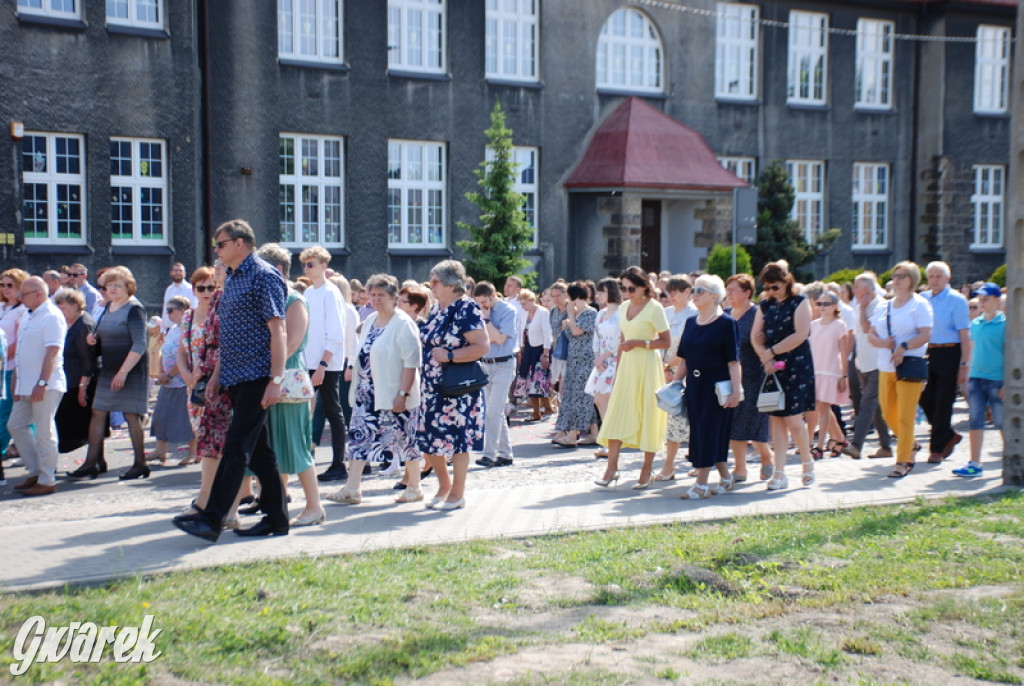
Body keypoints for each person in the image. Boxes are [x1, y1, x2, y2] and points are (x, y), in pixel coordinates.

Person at [173, 219, 289, 541]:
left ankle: (211, 518)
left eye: (220, 244)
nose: (217, 250)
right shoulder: (234, 278)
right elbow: (230, 335)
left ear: (240, 243)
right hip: (235, 378)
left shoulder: (264, 275)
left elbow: (278, 330)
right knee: (262, 454)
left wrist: (276, 379)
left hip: (258, 377)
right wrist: (216, 377)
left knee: (235, 447)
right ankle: (278, 520)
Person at [327, 274, 423, 504]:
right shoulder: (370, 321)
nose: (377, 299)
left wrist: (403, 394)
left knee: (405, 438)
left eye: (382, 295)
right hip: (367, 393)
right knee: (359, 439)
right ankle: (352, 488)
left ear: (393, 298)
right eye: (373, 295)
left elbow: (412, 362)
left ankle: (414, 486)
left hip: (393, 393)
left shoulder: (403, 323)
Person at [258, 243, 325, 526]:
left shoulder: (294, 300)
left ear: (277, 270)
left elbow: (293, 342)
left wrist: (271, 372)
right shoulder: (268, 297)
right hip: (270, 376)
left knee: (295, 445)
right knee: (273, 445)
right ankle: (277, 501)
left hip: (288, 378)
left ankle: (314, 506)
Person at [66, 267, 150, 480]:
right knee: (98, 411)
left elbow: (140, 344)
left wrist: (123, 373)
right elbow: (103, 335)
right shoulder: (108, 307)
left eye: (117, 285)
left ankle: (140, 463)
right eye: (109, 285)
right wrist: (94, 340)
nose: (112, 289)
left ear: (128, 288)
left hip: (130, 370)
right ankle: (92, 461)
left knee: (132, 415)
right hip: (109, 369)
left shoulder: (134, 309)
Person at [417, 260, 488, 510]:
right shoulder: (437, 308)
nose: (432, 285)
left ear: (451, 284)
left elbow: (481, 346)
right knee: (430, 438)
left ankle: (457, 494)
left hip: (458, 390)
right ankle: (444, 485)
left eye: (435, 281)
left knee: (458, 440)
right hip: (432, 388)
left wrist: (449, 356)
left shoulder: (466, 308)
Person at [595, 266, 671, 489]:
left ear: (643, 287)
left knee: (648, 414)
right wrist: (617, 371)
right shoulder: (625, 307)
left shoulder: (655, 308)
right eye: (623, 288)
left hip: (648, 365)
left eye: (631, 288)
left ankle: (647, 469)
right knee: (617, 412)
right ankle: (611, 469)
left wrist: (640, 343)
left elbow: (666, 342)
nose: (626, 292)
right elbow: (622, 339)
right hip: (627, 366)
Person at [673, 275, 741, 498]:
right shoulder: (691, 322)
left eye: (700, 290)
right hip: (695, 385)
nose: (695, 294)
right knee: (701, 432)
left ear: (714, 296)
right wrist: (673, 384)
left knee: (708, 433)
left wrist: (736, 390)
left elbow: (734, 362)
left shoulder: (726, 323)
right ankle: (725, 476)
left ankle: (701, 484)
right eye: (694, 289)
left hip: (718, 388)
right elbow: (684, 359)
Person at [751, 261, 817, 490]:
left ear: (786, 281)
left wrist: (770, 351)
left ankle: (807, 462)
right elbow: (755, 335)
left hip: (796, 364)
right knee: (776, 419)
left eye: (775, 287)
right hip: (772, 365)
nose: (770, 292)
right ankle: (779, 473)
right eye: (767, 287)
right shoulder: (765, 304)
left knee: (794, 420)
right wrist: (765, 357)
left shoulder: (800, 302)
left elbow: (800, 334)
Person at [867, 261, 933, 478]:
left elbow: (925, 334)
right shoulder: (884, 306)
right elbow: (871, 334)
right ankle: (910, 443)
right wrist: (882, 342)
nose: (896, 279)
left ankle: (903, 460)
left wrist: (904, 347)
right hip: (886, 365)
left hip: (909, 365)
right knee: (887, 412)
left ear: (912, 279)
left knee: (905, 416)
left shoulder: (920, 305)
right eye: (895, 275)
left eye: (902, 276)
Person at [177, 264, 234, 511]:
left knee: (217, 439)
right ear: (194, 289)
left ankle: (215, 495)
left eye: (211, 286)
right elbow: (181, 351)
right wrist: (188, 377)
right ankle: (212, 494)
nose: (207, 291)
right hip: (196, 385)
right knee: (203, 434)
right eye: (201, 287)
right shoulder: (189, 316)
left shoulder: (222, 310)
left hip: (217, 383)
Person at [8, 276, 66, 496]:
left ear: (39, 294)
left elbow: (52, 352)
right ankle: (35, 471)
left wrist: (42, 382)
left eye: (25, 294)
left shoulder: (51, 316)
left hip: (46, 384)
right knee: (16, 424)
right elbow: (23, 351)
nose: (20, 297)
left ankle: (47, 478)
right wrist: (16, 379)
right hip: (26, 382)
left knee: (44, 431)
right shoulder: (28, 315)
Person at [300, 246, 349, 483]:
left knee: (333, 411)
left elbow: (336, 333)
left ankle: (339, 463)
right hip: (309, 360)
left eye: (311, 264)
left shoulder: (331, 293)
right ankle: (303, 460)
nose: (307, 269)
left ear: (323, 266)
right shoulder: (309, 293)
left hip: (326, 363)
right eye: (305, 265)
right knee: (305, 411)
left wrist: (322, 364)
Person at [919, 261, 971, 463]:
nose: (934, 280)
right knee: (924, 398)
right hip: (926, 352)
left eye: (938, 276)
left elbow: (964, 334)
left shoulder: (956, 300)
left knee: (943, 401)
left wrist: (964, 364)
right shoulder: (922, 298)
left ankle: (937, 449)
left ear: (947, 278)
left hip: (949, 351)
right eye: (930, 276)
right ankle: (948, 434)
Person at [953, 282, 1005, 477]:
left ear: (997, 301)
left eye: (986, 299)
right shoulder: (975, 323)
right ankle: (975, 462)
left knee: (1001, 421)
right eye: (980, 299)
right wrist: (966, 370)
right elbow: (972, 350)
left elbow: (1011, 354)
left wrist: (1008, 382)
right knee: (975, 421)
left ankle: (1013, 459)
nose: (981, 303)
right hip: (976, 378)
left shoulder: (1005, 325)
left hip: (997, 379)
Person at [725, 274, 773, 481]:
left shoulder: (757, 313)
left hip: (754, 375)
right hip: (729, 376)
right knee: (734, 423)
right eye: (727, 290)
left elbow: (766, 340)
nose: (728, 294)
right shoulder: (724, 314)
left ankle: (766, 456)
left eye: (733, 290)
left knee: (753, 422)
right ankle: (740, 468)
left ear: (747, 293)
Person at [843, 273, 894, 460]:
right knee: (877, 407)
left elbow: (866, 328)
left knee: (867, 403)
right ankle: (886, 447)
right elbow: (857, 334)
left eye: (856, 286)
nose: (853, 290)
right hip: (863, 362)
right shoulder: (860, 306)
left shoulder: (880, 305)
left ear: (867, 289)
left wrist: (863, 308)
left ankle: (856, 445)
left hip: (878, 362)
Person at [473, 281, 519, 466]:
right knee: (494, 412)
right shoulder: (479, 310)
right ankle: (506, 453)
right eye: (478, 303)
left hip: (504, 364)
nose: (482, 306)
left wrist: (486, 320)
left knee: (493, 411)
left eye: (484, 302)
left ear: (493, 297)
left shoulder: (508, 311)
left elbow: (499, 339)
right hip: (486, 364)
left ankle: (489, 454)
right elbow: (479, 339)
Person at [656, 275, 697, 479]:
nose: (671, 296)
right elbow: (660, 339)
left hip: (690, 370)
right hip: (668, 370)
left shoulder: (694, 313)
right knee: (672, 418)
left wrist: (679, 359)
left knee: (693, 420)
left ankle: (699, 462)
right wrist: (664, 365)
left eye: (675, 292)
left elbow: (695, 343)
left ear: (687, 292)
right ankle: (669, 465)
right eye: (669, 292)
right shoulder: (666, 312)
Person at [146, 296, 196, 465]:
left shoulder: (188, 329)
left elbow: (185, 356)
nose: (168, 313)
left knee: (186, 418)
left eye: (171, 310)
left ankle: (193, 452)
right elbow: (164, 350)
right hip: (168, 380)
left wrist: (170, 375)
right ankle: (160, 449)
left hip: (182, 381)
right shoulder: (173, 329)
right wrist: (161, 371)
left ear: (183, 311)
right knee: (161, 415)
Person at [552, 281, 598, 448]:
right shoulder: (577, 314)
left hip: (586, 359)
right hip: (573, 359)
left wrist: (570, 317)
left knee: (581, 396)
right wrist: (570, 319)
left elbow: (577, 331)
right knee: (575, 395)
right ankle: (594, 433)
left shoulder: (590, 313)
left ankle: (572, 435)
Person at [53, 289, 98, 454]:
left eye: (63, 307)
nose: (61, 312)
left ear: (74, 305)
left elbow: (88, 360)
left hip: (80, 382)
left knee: (74, 428)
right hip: (70, 380)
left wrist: (82, 387)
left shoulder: (83, 324)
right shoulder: (69, 322)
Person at [808, 290, 851, 459]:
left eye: (826, 304)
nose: (822, 307)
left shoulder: (839, 325)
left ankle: (820, 445)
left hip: (831, 370)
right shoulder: (814, 325)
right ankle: (840, 439)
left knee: (824, 407)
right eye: (819, 303)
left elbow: (843, 351)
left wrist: (843, 375)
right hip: (816, 369)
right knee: (821, 407)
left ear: (835, 306)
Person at [584, 278, 621, 459]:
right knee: (599, 400)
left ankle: (612, 442)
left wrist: (604, 357)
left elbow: (619, 338)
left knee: (610, 399)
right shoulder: (601, 313)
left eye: (601, 292)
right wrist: (597, 357)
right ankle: (607, 440)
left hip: (614, 359)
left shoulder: (621, 312)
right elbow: (596, 337)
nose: (598, 295)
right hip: (601, 361)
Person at [0, 268, 29, 459]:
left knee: (5, 411)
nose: (5, 288)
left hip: (10, 367)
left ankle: (4, 450)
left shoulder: (22, 310)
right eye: (2, 285)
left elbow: (18, 341)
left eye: (10, 285)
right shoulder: (2, 307)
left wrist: (2, 359)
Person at [515, 289, 553, 421]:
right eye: (521, 304)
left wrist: (546, 353)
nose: (522, 306)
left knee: (538, 380)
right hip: (528, 348)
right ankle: (537, 411)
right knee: (528, 380)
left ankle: (545, 409)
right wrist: (520, 349)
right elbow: (521, 331)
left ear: (532, 301)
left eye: (524, 303)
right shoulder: (524, 313)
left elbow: (547, 333)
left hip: (540, 348)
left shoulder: (543, 312)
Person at [162, 262, 197, 331]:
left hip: (184, 329)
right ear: (171, 273)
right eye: (175, 271)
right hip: (168, 330)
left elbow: (193, 308)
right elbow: (165, 310)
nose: (178, 272)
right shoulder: (169, 289)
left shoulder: (190, 289)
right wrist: (162, 329)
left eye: (180, 271)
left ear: (185, 273)